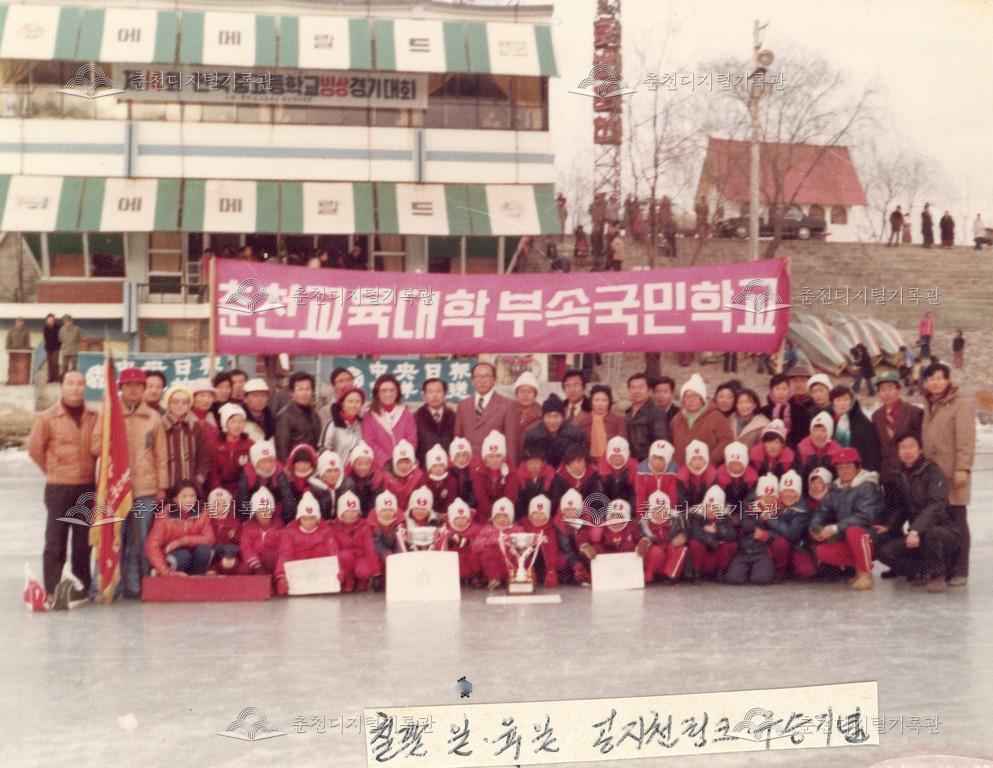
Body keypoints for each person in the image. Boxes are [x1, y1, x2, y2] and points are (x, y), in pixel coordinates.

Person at [90, 367, 169, 599]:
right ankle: (105, 586)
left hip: (145, 489)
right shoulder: (109, 414)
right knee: (112, 536)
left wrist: (161, 487)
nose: (133, 390)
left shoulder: (153, 417)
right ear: (120, 388)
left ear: (144, 389)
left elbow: (161, 456)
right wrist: (111, 440)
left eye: (137, 385)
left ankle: (135, 586)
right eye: (128, 385)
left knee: (139, 540)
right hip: (116, 490)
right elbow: (95, 446)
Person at [27, 370, 97, 605]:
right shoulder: (48, 417)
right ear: (61, 387)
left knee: (82, 541)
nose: (76, 388)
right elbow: (35, 449)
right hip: (59, 487)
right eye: (70, 383)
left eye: (80, 383)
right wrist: (53, 470)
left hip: (86, 486)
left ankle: (81, 587)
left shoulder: (94, 417)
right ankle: (53, 587)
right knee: (55, 540)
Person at [875, 433, 961, 592]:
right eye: (903, 447)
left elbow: (936, 505)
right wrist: (889, 526)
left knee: (931, 533)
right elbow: (901, 507)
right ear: (898, 452)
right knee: (885, 552)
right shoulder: (898, 474)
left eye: (911, 446)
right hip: (917, 534)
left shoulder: (933, 471)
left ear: (920, 450)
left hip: (944, 531)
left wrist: (915, 530)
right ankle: (921, 571)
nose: (907, 451)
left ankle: (937, 575)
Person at [920, 362, 974, 586]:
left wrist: (963, 468)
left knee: (958, 519)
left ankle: (960, 569)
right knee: (942, 521)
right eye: (931, 379)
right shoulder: (929, 404)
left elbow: (966, 440)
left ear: (948, 380)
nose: (935, 383)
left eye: (939, 378)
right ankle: (946, 567)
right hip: (934, 474)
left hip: (953, 472)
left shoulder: (960, 404)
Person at [809, 447, 883, 590]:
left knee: (853, 531)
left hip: (869, 536)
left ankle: (865, 573)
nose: (844, 471)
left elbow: (865, 516)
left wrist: (834, 528)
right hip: (846, 537)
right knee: (820, 552)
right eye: (840, 468)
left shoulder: (867, 486)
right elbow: (821, 512)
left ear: (857, 467)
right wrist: (815, 529)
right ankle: (858, 568)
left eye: (848, 467)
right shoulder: (835, 489)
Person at [455, 362, 521, 468]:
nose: (482, 380)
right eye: (478, 376)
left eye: (486, 376)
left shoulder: (508, 405)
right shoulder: (462, 405)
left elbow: (512, 445)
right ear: (472, 380)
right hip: (468, 466)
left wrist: (509, 470)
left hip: (495, 467)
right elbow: (457, 439)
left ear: (494, 380)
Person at [274, 492, 341, 596]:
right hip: (299, 571)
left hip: (319, 571)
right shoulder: (289, 532)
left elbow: (333, 550)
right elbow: (285, 554)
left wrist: (338, 568)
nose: (309, 522)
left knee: (321, 549)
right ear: (299, 519)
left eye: (312, 518)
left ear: (317, 518)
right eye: (305, 519)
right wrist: (281, 576)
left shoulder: (326, 530)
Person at [145, 480, 215, 577]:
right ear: (175, 499)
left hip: (194, 555)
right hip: (175, 558)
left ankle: (196, 579)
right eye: (184, 496)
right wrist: (166, 572)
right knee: (184, 555)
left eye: (192, 496)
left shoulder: (203, 513)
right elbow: (152, 546)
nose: (189, 500)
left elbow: (210, 538)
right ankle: (173, 579)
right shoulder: (164, 515)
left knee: (204, 550)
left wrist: (182, 541)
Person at [871, 371, 923, 493]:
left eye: (891, 388)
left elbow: (922, 443)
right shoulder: (876, 416)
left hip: (911, 474)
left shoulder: (914, 412)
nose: (887, 393)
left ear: (898, 390)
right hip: (887, 475)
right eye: (882, 389)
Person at [670, 373, 734, 466]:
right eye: (687, 396)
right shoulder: (677, 419)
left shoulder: (716, 417)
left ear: (702, 398)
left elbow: (727, 440)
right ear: (683, 399)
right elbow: (671, 442)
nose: (691, 400)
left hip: (707, 469)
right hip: (681, 469)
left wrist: (710, 460)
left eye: (695, 395)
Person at [361, 374, 418, 472]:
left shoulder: (406, 414)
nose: (388, 394)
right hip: (380, 468)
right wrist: (388, 462)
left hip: (405, 466)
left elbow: (412, 439)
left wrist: (402, 460)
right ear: (377, 393)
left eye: (392, 390)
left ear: (397, 392)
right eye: (384, 390)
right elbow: (370, 442)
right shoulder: (369, 415)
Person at [161, 384, 210, 494]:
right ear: (168, 404)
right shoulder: (161, 426)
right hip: (169, 486)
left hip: (192, 486)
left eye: (184, 402)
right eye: (175, 402)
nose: (180, 405)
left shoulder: (195, 426)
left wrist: (199, 478)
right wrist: (161, 486)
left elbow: (204, 455)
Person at [330, 491, 378, 593]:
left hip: (361, 558)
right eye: (347, 511)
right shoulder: (334, 527)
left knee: (364, 571)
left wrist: (376, 571)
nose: (351, 515)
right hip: (345, 561)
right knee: (345, 556)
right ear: (341, 513)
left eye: (354, 511)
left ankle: (362, 580)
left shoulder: (364, 526)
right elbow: (333, 548)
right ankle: (349, 579)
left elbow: (370, 549)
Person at [523, 394, 587, 470]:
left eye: (556, 416)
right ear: (543, 418)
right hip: (541, 473)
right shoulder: (532, 435)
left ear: (563, 417)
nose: (552, 421)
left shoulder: (576, 434)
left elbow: (581, 459)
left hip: (568, 472)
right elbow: (528, 461)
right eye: (548, 416)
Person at [470, 431, 519, 522]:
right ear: (485, 458)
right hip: (485, 514)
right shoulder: (479, 473)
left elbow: (511, 496)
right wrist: (491, 514)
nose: (494, 460)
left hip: (504, 514)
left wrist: (499, 514)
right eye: (491, 456)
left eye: (498, 456)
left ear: (503, 458)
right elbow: (481, 496)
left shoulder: (511, 473)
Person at [830, 385, 881, 473]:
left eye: (846, 399)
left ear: (851, 401)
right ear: (832, 402)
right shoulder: (828, 419)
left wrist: (871, 472)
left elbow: (873, 450)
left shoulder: (862, 422)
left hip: (859, 470)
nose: (842, 403)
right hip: (835, 469)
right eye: (838, 400)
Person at [208, 403, 254, 498]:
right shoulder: (215, 445)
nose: (237, 426)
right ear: (225, 424)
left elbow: (251, 474)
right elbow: (213, 474)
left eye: (241, 422)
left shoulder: (250, 445)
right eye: (233, 422)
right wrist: (219, 492)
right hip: (219, 491)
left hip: (242, 491)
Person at [274, 371, 322, 462]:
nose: (304, 393)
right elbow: (281, 449)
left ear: (312, 391)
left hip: (312, 463)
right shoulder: (284, 416)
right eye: (300, 389)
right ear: (291, 392)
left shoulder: (315, 414)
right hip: (294, 465)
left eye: (307, 389)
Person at [624, 373, 669, 462]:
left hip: (648, 462)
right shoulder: (628, 412)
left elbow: (660, 441)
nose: (637, 391)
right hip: (629, 462)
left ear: (649, 390)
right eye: (633, 388)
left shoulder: (656, 413)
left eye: (641, 387)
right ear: (629, 390)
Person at [573, 385, 625, 461]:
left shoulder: (618, 420)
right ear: (591, 402)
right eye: (596, 400)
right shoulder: (583, 421)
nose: (600, 404)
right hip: (588, 462)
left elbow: (623, 444)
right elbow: (577, 446)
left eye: (604, 400)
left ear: (609, 402)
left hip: (612, 461)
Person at [237, 439, 283, 522]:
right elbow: (242, 498)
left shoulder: (279, 471)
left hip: (273, 511)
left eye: (270, 461)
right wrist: (246, 520)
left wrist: (283, 520)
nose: (268, 465)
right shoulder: (248, 472)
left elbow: (286, 497)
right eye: (263, 461)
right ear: (255, 462)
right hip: (253, 512)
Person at [413, 378, 456, 466]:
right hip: (424, 467)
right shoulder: (416, 417)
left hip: (448, 467)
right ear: (424, 395)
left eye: (438, 391)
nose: (435, 395)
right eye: (430, 392)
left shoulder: (454, 416)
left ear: (445, 394)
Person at [320, 386, 365, 466]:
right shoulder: (332, 424)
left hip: (357, 471)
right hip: (336, 470)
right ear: (342, 404)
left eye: (357, 402)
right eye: (350, 401)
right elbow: (324, 451)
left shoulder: (362, 424)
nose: (354, 405)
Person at [512, 371, 543, 453]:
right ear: (516, 394)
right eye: (522, 391)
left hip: (533, 457)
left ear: (535, 395)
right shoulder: (508, 413)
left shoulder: (542, 416)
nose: (525, 395)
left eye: (529, 392)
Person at [6, 317, 30, 384]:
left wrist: (26, 350)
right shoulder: (11, 331)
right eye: (18, 322)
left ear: (23, 323)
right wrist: (8, 348)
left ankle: (21, 380)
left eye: (21, 322)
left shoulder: (26, 331)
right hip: (13, 352)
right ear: (15, 323)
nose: (19, 323)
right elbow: (8, 340)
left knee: (21, 367)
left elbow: (27, 343)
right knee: (12, 367)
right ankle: (11, 380)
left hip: (22, 353)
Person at [43, 313, 61, 383]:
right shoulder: (45, 328)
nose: (50, 321)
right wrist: (47, 346)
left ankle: (57, 378)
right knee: (49, 363)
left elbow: (59, 337)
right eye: (48, 320)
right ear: (47, 320)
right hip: (48, 348)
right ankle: (50, 378)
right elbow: (45, 338)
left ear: (54, 320)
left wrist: (59, 346)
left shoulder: (58, 327)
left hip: (56, 347)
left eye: (51, 320)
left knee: (55, 362)